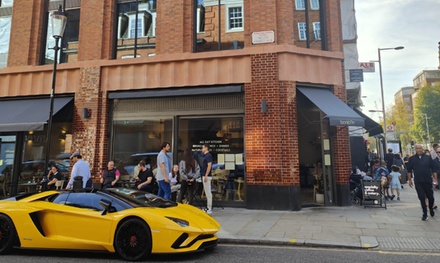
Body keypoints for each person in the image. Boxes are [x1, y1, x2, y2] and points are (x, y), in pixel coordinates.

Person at [407, 144, 438, 221]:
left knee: (430, 197)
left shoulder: (428, 158)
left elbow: (433, 169)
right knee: (421, 197)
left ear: (422, 149)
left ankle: (431, 208)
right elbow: (409, 170)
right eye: (417, 148)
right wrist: (410, 180)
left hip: (427, 180)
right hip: (418, 181)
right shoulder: (412, 159)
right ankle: (424, 213)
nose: (418, 150)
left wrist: (435, 179)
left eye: (420, 148)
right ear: (415, 150)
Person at [201, 143, 213, 214]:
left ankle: (209, 208)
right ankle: (208, 207)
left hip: (207, 176)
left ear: (206, 148)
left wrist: (206, 175)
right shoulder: (205, 156)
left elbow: (209, 165)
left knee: (208, 192)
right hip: (205, 175)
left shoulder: (208, 156)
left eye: (203, 148)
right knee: (207, 191)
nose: (202, 149)